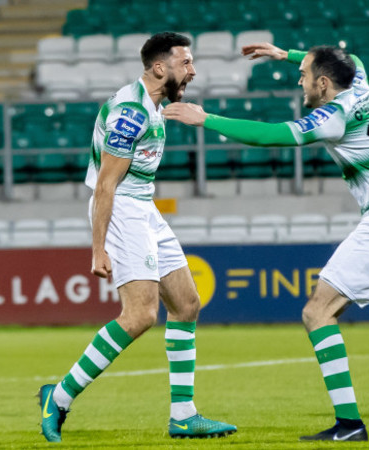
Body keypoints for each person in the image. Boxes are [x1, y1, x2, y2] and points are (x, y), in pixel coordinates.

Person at [164, 42, 369, 442]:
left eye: (304, 77)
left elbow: (273, 136)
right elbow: (352, 58)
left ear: (323, 83)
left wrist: (206, 118)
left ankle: (349, 423)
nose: (300, 82)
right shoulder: (358, 83)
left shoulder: (334, 116)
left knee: (316, 312)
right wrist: (284, 54)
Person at [37, 32, 237, 442]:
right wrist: (98, 247)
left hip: (143, 207)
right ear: (160, 68)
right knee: (141, 315)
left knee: (186, 304)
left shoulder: (153, 106)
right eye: (186, 63)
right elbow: (106, 185)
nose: (193, 70)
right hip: (122, 210)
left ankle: (183, 416)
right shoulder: (131, 113)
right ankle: (58, 397)